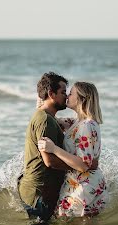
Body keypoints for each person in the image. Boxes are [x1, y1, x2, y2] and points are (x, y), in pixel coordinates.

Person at [38, 81, 107, 217]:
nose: (67, 96)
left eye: (71, 93)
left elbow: (83, 165)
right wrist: (44, 101)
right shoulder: (77, 122)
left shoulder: (87, 125)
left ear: (82, 98)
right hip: (77, 183)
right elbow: (54, 119)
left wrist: (54, 149)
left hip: (85, 187)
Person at [17, 72, 70, 222]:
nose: (66, 96)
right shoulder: (45, 120)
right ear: (51, 94)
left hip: (35, 190)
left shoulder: (45, 116)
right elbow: (49, 161)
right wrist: (80, 166)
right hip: (39, 194)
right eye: (63, 92)